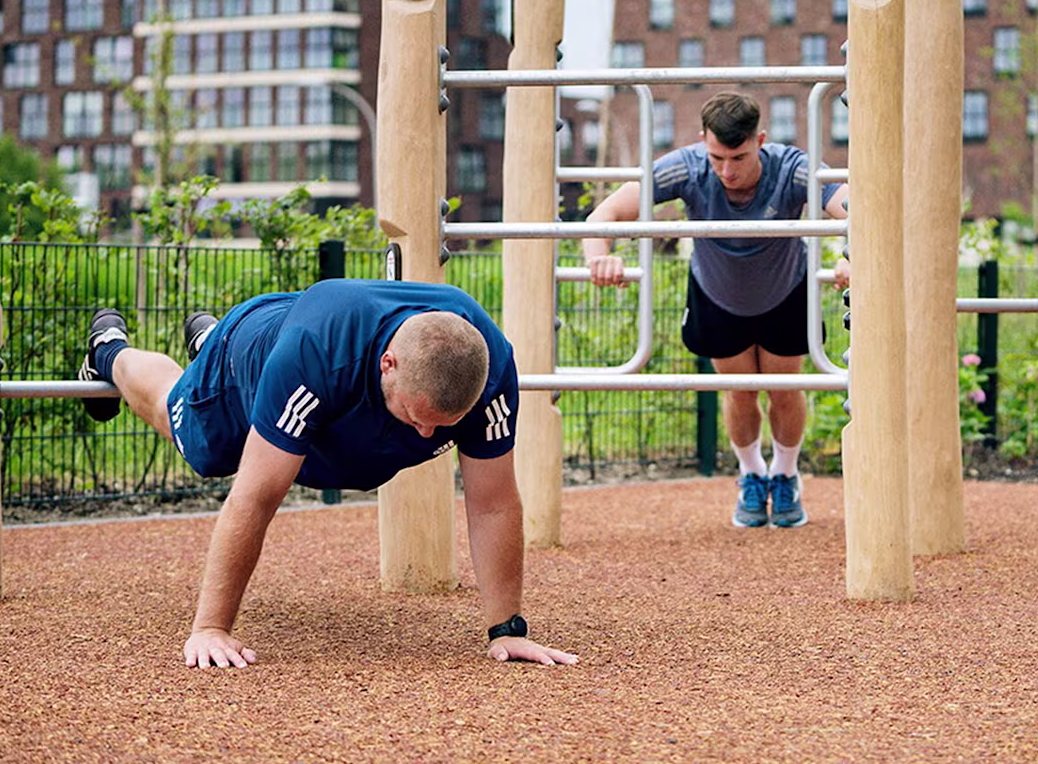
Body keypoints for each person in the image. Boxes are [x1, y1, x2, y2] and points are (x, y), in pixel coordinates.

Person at [75, 278, 578, 669]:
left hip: (322, 387)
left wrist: (507, 629)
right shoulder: (315, 355)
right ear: (388, 364)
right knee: (188, 432)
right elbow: (253, 499)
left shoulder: (489, 371)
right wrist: (210, 627)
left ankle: (205, 337)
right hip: (247, 361)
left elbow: (492, 501)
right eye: (417, 415)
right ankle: (111, 351)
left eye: (442, 426)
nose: (427, 437)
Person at [582, 91, 848, 530]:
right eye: (717, 157)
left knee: (784, 390)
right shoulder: (688, 166)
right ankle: (750, 475)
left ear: (760, 140)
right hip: (718, 294)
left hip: (784, 289)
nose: (726, 170)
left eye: (738, 157)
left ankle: (785, 474)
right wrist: (598, 258)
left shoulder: (791, 166)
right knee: (740, 391)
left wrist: (849, 252)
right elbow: (607, 211)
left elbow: (850, 204)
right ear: (703, 140)